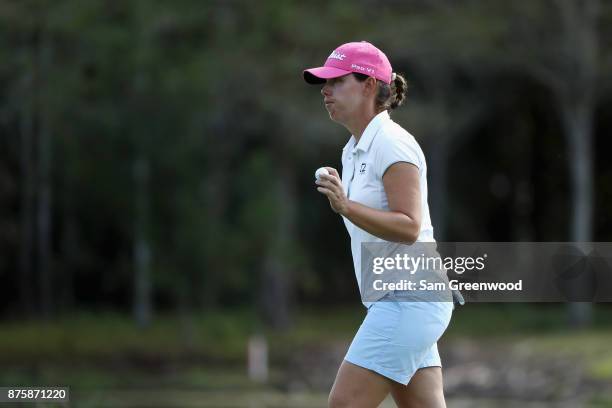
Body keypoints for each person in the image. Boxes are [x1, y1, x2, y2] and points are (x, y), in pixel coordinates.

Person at [303, 41, 455, 408]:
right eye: (325, 83)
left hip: (409, 300)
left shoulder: (393, 144)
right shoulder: (353, 149)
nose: (326, 91)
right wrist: (347, 205)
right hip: (397, 300)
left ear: (369, 85)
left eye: (337, 81)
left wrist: (346, 205)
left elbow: (408, 226)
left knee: (343, 404)